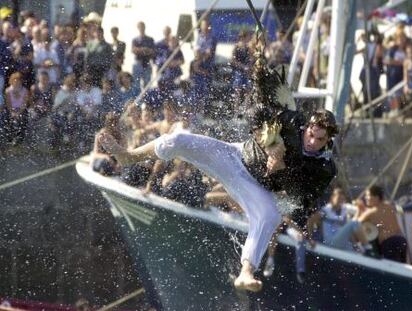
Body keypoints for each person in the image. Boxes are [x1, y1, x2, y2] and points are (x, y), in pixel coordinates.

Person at [99, 37, 338, 292]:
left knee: (269, 215)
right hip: (236, 157)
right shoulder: (293, 120)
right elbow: (256, 113)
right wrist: (269, 144)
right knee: (179, 139)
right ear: (309, 127)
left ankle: (246, 272)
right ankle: (129, 155)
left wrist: (282, 169)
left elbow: (303, 202)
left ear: (328, 140)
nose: (312, 142)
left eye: (320, 140)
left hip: (257, 188)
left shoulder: (324, 169)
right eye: (311, 135)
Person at [356, 185, 407, 262]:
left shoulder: (371, 212)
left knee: (391, 271)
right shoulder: (389, 206)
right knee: (402, 270)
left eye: (368, 195)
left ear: (376, 197)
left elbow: (355, 224)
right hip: (401, 240)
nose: (365, 198)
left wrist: (359, 210)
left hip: (389, 243)